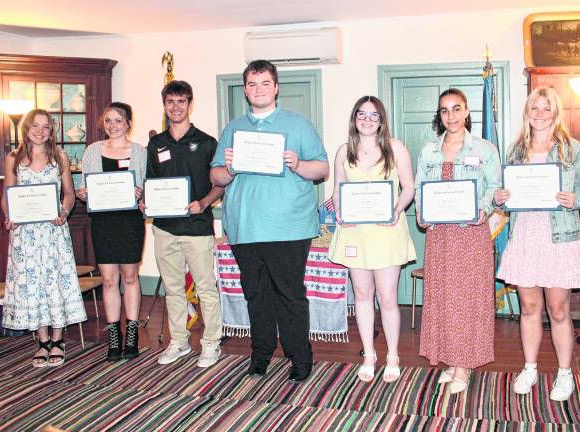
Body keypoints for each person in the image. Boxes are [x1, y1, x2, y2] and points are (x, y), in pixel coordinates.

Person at [210, 60, 329, 382]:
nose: (258, 89)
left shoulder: (299, 124)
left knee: (290, 296)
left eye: (265, 83)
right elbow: (216, 175)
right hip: (245, 227)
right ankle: (260, 355)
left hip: (289, 227)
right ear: (246, 90)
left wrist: (298, 163)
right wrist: (231, 168)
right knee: (256, 295)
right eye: (252, 84)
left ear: (275, 87)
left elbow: (322, 170)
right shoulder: (234, 128)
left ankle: (300, 359)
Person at [494, 87, 580, 401]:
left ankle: (564, 374)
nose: (540, 114)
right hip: (526, 235)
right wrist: (502, 199)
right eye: (535, 108)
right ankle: (530, 367)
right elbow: (506, 197)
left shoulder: (571, 147)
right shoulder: (516, 149)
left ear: (555, 112)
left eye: (546, 108)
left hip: (558, 236)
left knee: (559, 310)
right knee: (529, 308)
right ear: (528, 112)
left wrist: (575, 199)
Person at [415, 88, 501, 394]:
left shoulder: (485, 149)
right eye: (444, 110)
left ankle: (464, 366)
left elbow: (495, 187)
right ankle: (451, 359)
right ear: (439, 116)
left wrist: (484, 208)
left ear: (466, 112)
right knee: (443, 296)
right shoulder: (429, 151)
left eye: (456, 109)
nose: (450, 116)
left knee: (467, 298)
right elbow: (420, 189)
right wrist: (422, 214)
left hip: (470, 232)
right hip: (440, 235)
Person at [328, 96, 416, 383]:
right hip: (356, 233)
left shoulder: (396, 147)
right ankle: (368, 354)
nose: (367, 119)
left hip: (387, 230)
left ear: (382, 120)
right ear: (354, 118)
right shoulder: (344, 151)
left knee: (387, 297)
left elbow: (409, 187)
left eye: (373, 115)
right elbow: (338, 189)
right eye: (361, 114)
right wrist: (340, 212)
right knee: (362, 295)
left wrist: (397, 210)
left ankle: (392, 355)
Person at [145, 80, 224, 368]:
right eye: (170, 102)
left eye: (181, 101)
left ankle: (211, 343)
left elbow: (220, 185)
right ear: (164, 105)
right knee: (173, 289)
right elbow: (151, 184)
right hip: (165, 228)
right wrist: (146, 203)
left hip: (197, 228)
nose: (175, 107)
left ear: (190, 104)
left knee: (205, 288)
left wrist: (203, 203)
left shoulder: (206, 142)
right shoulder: (156, 144)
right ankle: (178, 341)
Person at [1, 108, 87, 368]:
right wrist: (9, 216)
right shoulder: (13, 158)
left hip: (53, 231)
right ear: (25, 128)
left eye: (46, 127)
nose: (40, 131)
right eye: (35, 126)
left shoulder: (58, 156)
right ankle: (41, 341)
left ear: (52, 131)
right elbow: (7, 194)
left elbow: (69, 194)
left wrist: (63, 212)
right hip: (25, 234)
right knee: (33, 284)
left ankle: (58, 339)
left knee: (54, 282)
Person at [77, 102, 147, 362]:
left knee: (129, 277)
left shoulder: (140, 151)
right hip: (104, 223)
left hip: (129, 222)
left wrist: (143, 195)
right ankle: (114, 336)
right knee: (108, 279)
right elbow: (85, 188)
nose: (113, 125)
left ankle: (131, 334)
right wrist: (83, 194)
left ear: (129, 123)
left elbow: (148, 185)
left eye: (118, 120)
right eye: (108, 120)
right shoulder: (92, 151)